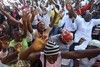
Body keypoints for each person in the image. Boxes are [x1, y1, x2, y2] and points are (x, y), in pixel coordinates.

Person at [19, 37, 100, 67]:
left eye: (55, 57)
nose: (52, 60)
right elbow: (22, 58)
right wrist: (31, 48)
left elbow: (77, 54)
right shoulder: (41, 55)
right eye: (49, 57)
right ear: (45, 54)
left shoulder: (60, 55)